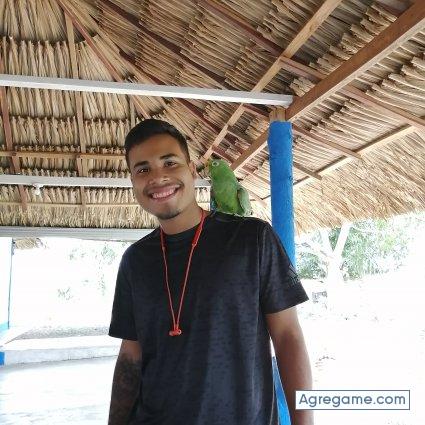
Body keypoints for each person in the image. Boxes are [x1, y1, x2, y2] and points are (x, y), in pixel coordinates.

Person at [108, 119, 313, 425]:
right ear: (134, 183)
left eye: (169, 162)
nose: (158, 176)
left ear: (192, 171)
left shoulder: (252, 239)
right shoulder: (134, 261)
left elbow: (288, 337)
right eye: (143, 169)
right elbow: (130, 358)